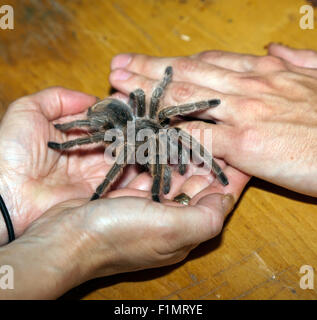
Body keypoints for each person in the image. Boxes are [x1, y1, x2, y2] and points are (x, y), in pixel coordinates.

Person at [0, 43, 315, 299]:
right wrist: (65, 148)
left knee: (172, 126)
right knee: (116, 144)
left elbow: (160, 110)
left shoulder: (163, 123)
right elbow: (114, 130)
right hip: (119, 125)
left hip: (143, 123)